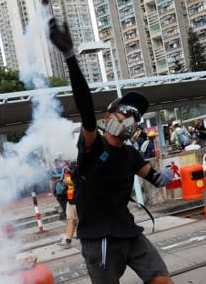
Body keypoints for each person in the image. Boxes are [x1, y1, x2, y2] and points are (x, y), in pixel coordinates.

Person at [48, 14, 175, 284]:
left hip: (129, 232)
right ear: (108, 118)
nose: (131, 118)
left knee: (162, 280)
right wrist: (70, 56)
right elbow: (84, 106)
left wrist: (165, 175)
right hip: (99, 238)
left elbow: (153, 177)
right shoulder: (93, 145)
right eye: (125, 112)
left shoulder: (130, 154)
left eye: (136, 116)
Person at [58, 162, 78, 249]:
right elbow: (66, 183)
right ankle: (68, 240)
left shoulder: (78, 169)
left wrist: (67, 182)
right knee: (70, 220)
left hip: (79, 200)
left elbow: (77, 183)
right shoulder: (68, 170)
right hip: (70, 200)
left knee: (84, 222)